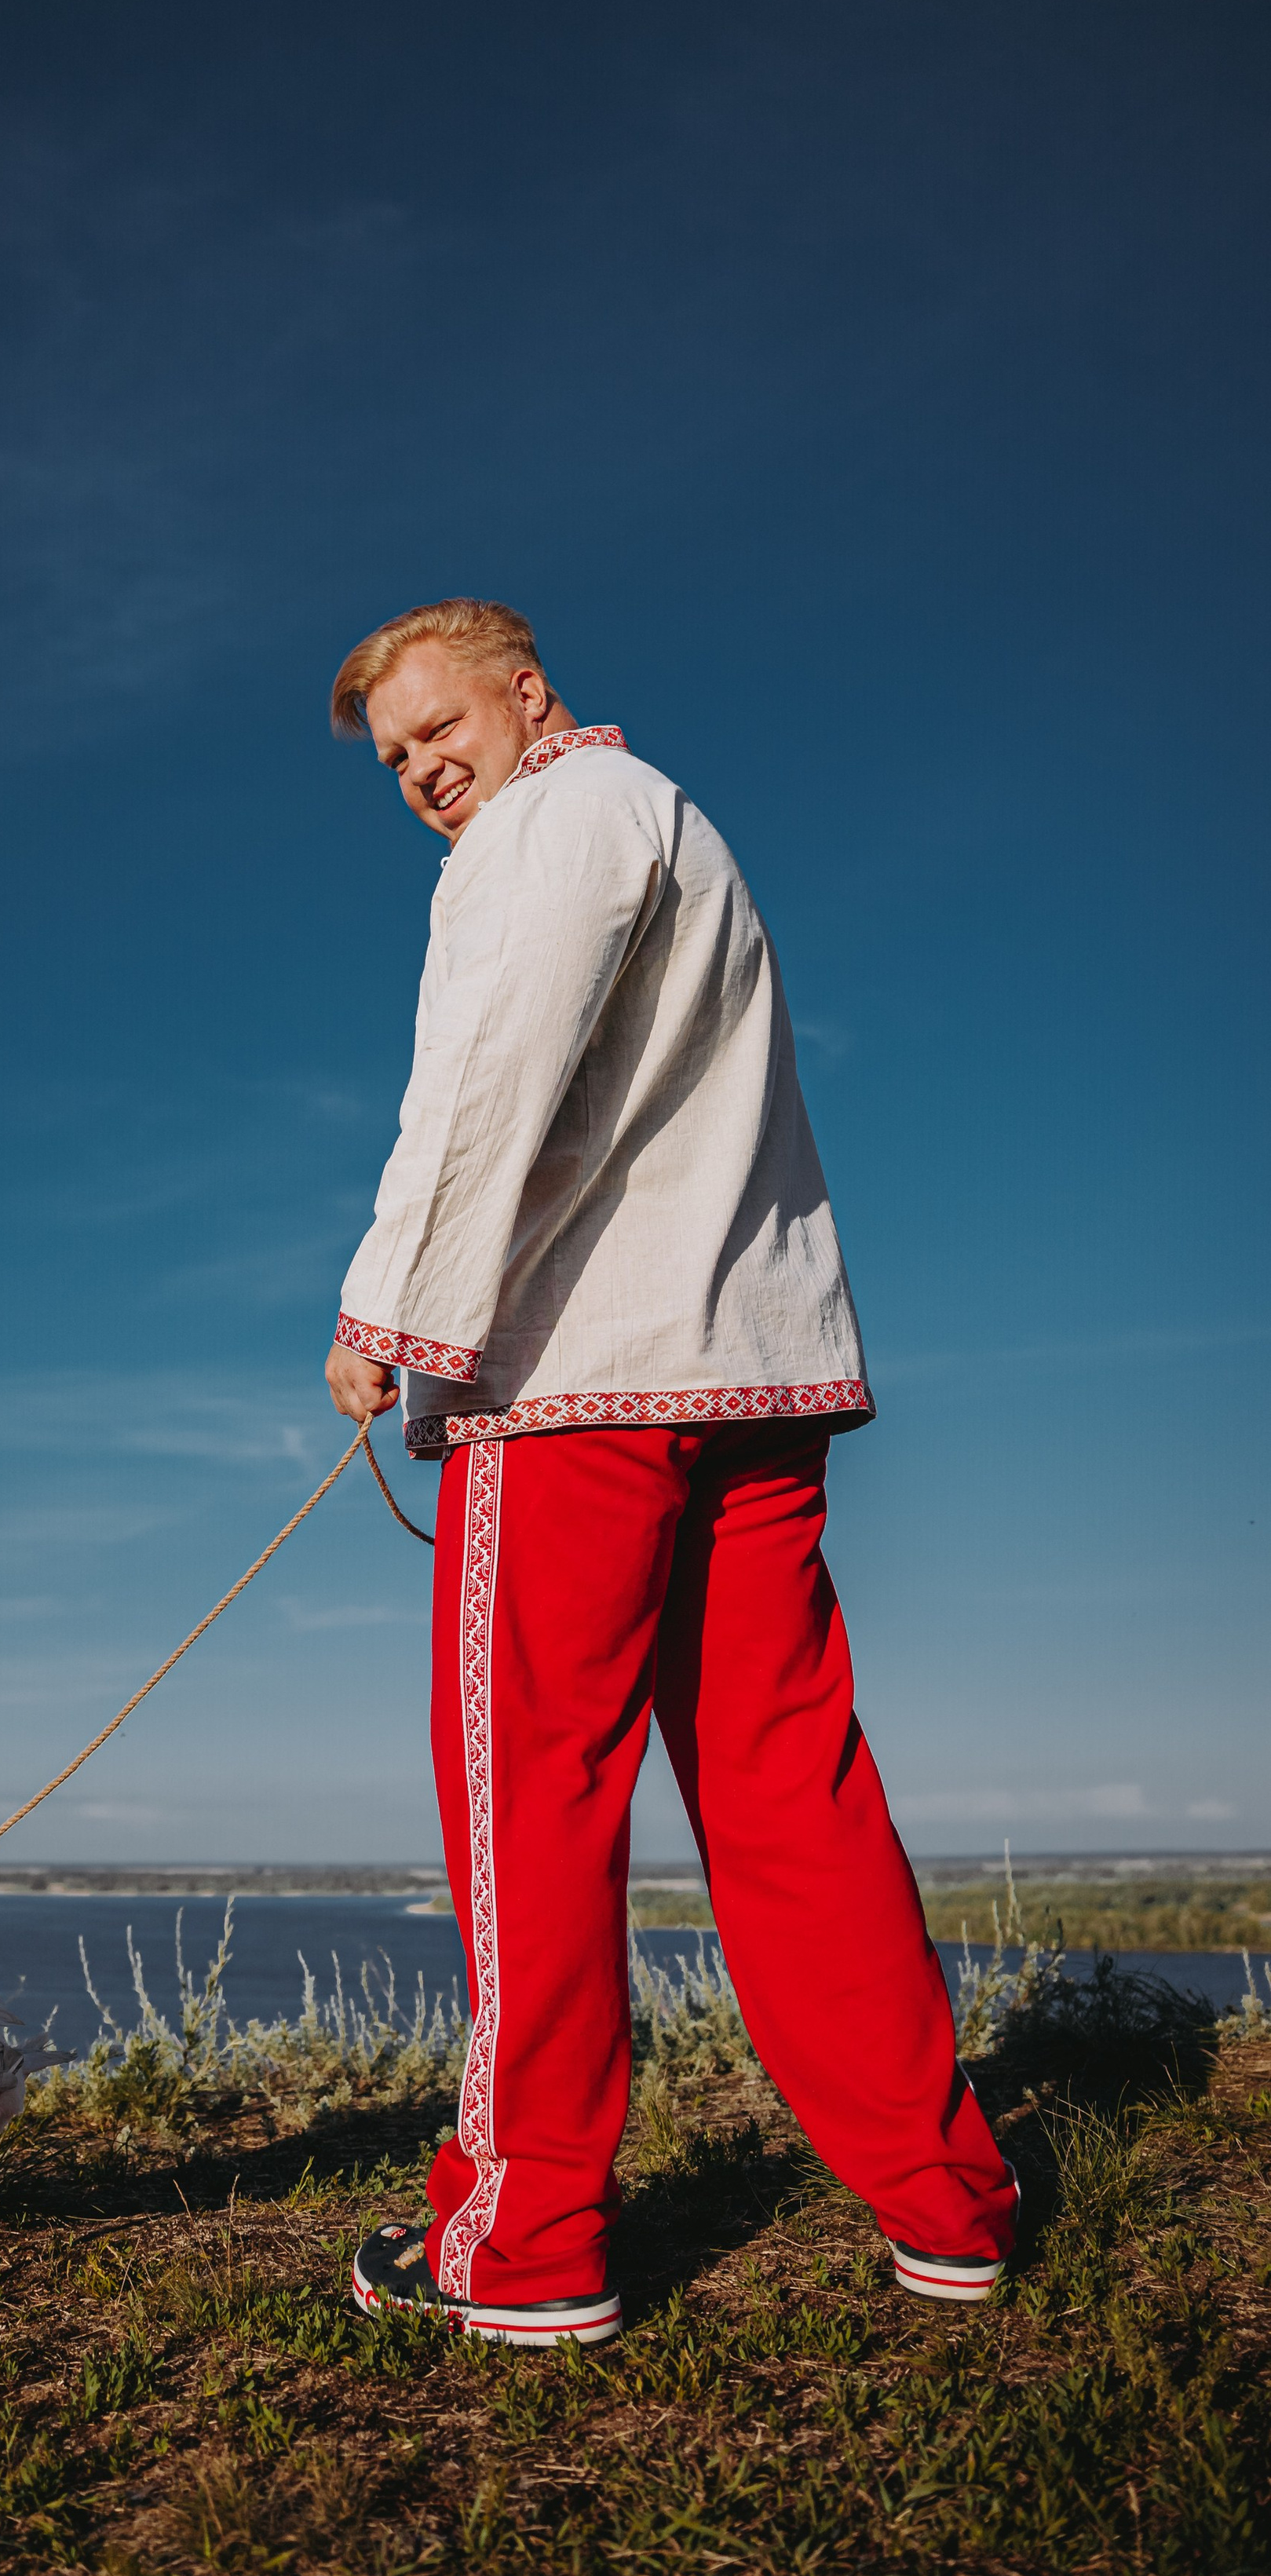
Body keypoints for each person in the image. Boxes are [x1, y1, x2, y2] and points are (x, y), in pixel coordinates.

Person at [326, 597, 1015, 2349]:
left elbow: (484, 1085)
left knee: (528, 1809)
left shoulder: (546, 825)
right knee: (793, 1794)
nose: (422, 772)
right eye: (396, 758)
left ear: (525, 691)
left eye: (435, 727)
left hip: (574, 1391)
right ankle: (947, 2208)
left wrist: (387, 1313)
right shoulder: (680, 827)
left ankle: (524, 2242)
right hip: (747, 1373)